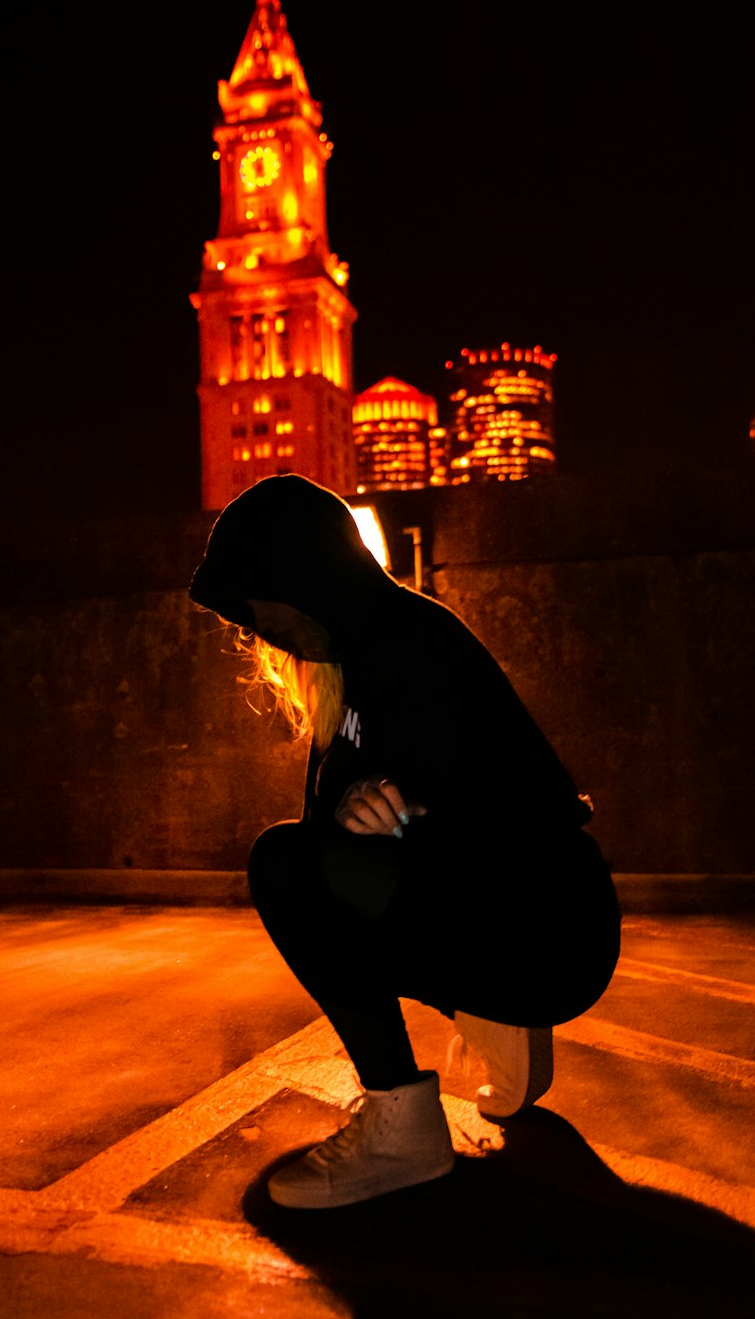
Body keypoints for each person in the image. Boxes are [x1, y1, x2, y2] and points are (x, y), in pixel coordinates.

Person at [188, 474, 621, 1210]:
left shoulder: (414, 648)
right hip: (500, 917)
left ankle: (403, 1126)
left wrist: (402, 813)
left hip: (552, 929)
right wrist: (360, 808)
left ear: (304, 575)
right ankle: (491, 1013)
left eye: (262, 608)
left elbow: (517, 818)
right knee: (301, 862)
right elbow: (333, 835)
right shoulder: (346, 666)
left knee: (283, 866)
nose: (257, 629)